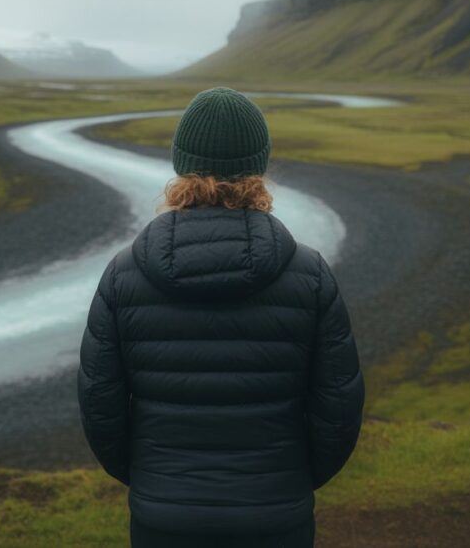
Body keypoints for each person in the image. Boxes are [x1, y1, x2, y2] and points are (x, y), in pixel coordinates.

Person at [77, 87, 364, 547]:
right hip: (276, 516)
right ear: (259, 167)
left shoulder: (123, 274)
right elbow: (339, 408)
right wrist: (291, 482)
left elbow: (100, 406)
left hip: (163, 517)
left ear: (181, 165)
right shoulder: (309, 275)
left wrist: (153, 482)